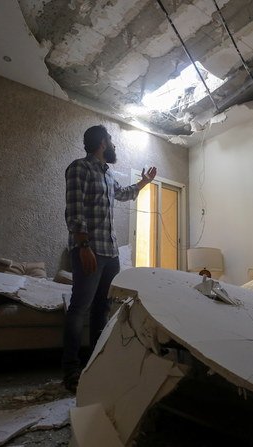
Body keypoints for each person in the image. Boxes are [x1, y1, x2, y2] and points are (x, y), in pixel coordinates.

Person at [62, 125, 157, 392]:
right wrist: (83, 246)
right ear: (103, 143)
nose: (114, 145)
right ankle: (71, 370)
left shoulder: (107, 174)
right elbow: (74, 211)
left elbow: (123, 193)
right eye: (111, 140)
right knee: (79, 307)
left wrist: (144, 183)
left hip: (110, 252)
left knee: (101, 309)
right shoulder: (79, 168)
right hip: (89, 249)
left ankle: (96, 364)